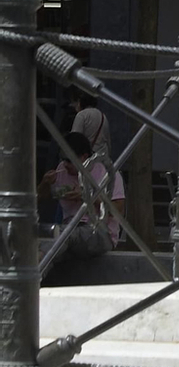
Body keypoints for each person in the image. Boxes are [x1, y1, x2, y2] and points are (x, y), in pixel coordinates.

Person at [44, 101, 125, 254]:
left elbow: (118, 210)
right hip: (69, 227)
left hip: (99, 231)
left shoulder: (106, 173)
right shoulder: (61, 169)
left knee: (63, 237)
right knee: (52, 238)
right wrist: (44, 184)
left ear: (83, 157)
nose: (65, 165)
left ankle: (37, 262)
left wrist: (86, 197)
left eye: (69, 160)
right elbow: (41, 197)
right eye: (63, 159)